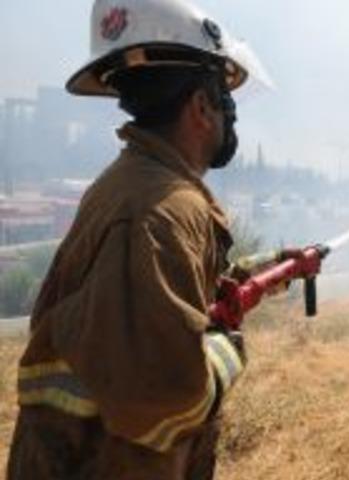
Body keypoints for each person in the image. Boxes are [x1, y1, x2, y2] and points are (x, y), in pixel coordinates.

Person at [6, 1, 307, 478]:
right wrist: (227, 345)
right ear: (201, 108)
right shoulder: (161, 212)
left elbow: (141, 303)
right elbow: (171, 406)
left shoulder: (133, 186)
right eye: (226, 101)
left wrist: (255, 275)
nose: (233, 117)